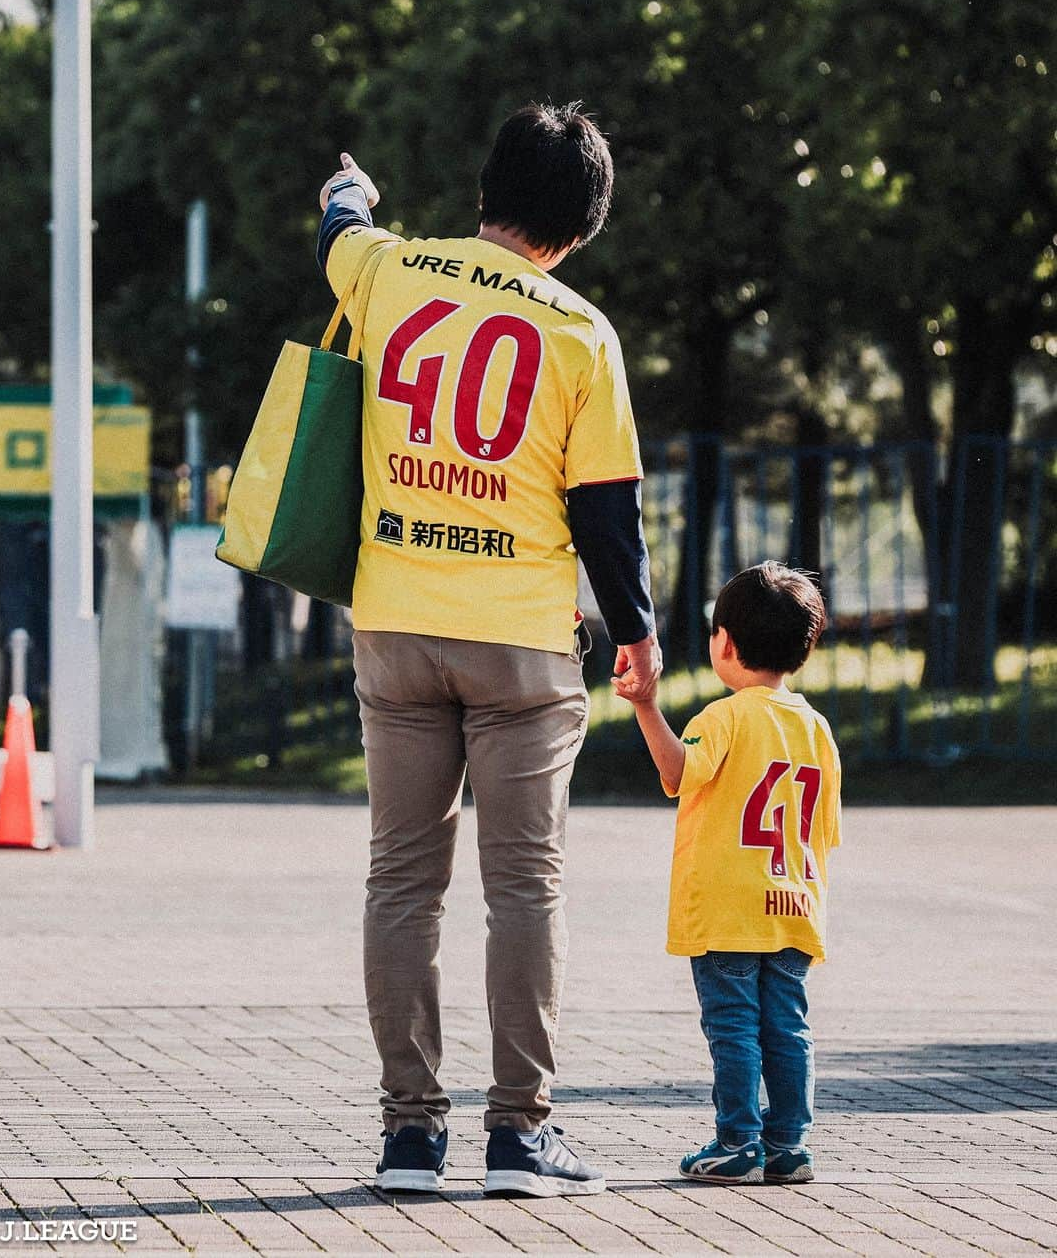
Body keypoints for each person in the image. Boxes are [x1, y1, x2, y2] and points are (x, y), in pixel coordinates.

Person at [315, 103, 661, 1197]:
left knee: (401, 884)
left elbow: (337, 234)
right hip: (520, 643)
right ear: (583, 224)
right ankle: (520, 1133)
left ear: (486, 188)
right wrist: (640, 641)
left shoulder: (392, 272)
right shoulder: (580, 333)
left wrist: (351, 194)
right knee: (525, 889)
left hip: (396, 624)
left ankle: (409, 1134)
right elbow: (608, 517)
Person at [614, 561, 841, 1185]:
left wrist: (645, 707)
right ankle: (789, 1145)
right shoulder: (818, 729)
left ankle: (738, 1142)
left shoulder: (722, 718)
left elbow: (678, 773)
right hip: (793, 902)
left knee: (735, 1027)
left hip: (727, 907)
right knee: (788, 1027)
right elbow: (825, 833)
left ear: (725, 642)